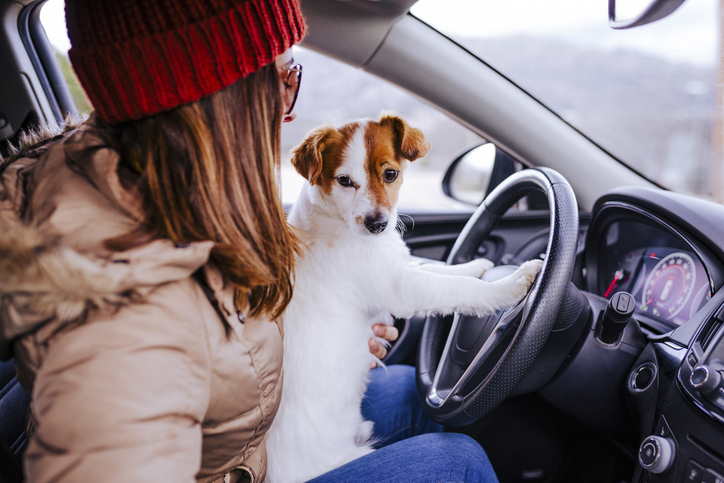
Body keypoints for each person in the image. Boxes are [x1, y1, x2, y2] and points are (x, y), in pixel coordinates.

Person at [0, 0, 498, 481]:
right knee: (458, 462)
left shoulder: (176, 195)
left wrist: (320, 343)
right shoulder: (122, 295)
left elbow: (215, 332)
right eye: (285, 79)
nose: (286, 107)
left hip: (251, 437)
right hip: (244, 467)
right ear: (221, 98)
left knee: (412, 395)